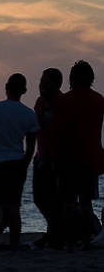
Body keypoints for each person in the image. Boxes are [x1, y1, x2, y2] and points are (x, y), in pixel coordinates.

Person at [0, 73, 39, 250]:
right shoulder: (29, 114)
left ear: (6, 87)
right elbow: (31, 146)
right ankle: (14, 244)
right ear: (24, 90)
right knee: (13, 207)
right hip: (16, 164)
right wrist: (24, 165)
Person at [50, 61, 104, 248]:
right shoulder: (99, 100)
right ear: (91, 78)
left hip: (68, 158)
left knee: (68, 202)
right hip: (91, 158)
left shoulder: (63, 101)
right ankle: (93, 236)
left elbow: (57, 132)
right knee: (86, 203)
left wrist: (53, 157)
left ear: (72, 78)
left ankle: (72, 239)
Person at [32, 68, 63, 248]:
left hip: (57, 158)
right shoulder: (40, 102)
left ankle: (54, 233)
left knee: (54, 198)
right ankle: (53, 231)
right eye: (41, 81)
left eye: (46, 82)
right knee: (39, 197)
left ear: (56, 84)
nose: (42, 85)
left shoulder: (62, 102)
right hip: (41, 157)